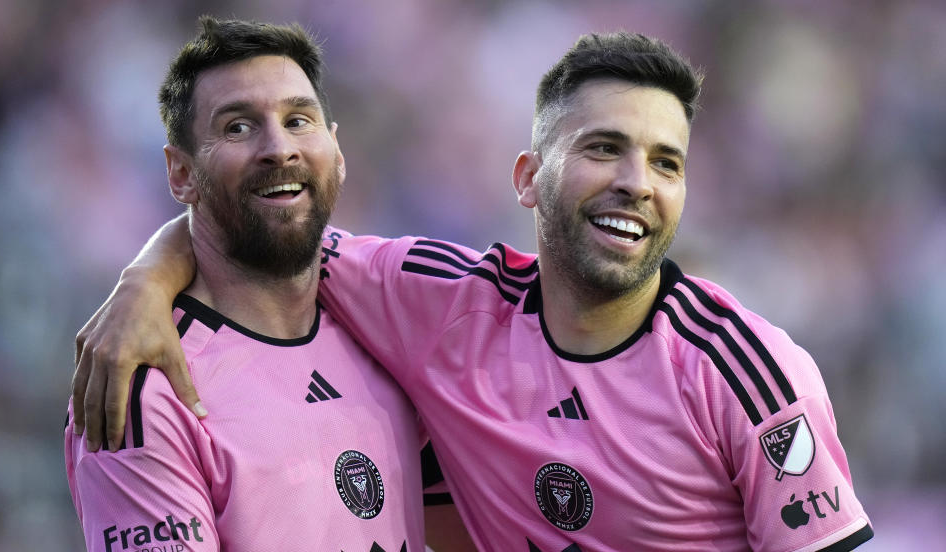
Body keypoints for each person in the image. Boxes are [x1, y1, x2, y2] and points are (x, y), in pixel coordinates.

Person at [72, 31, 874, 551]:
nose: (636, 184)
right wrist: (145, 282)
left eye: (666, 163)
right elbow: (269, 230)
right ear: (528, 178)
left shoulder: (746, 371)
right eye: (603, 148)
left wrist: (143, 279)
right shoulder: (438, 306)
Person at [64, 17, 473, 552]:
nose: (278, 148)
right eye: (238, 127)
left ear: (337, 150)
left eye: (299, 120)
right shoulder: (145, 389)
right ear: (181, 173)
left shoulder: (392, 318)